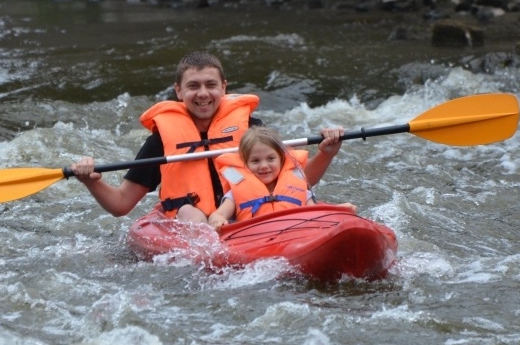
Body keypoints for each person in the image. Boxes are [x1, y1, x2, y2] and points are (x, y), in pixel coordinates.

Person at [71, 51, 345, 222]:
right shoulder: (162, 140)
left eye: (211, 85)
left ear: (223, 88)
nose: (203, 93)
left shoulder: (251, 128)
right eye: (193, 86)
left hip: (243, 214)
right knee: (192, 215)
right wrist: (91, 181)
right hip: (192, 220)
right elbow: (121, 204)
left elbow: (296, 179)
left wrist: (326, 152)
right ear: (178, 91)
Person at [207, 127, 357, 230]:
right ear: (245, 165)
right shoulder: (234, 194)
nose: (264, 166)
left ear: (281, 159)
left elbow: (314, 212)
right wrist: (217, 220)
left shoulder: (301, 191)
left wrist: (336, 211)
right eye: (255, 161)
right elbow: (219, 213)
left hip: (295, 235)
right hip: (254, 238)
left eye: (270, 159)